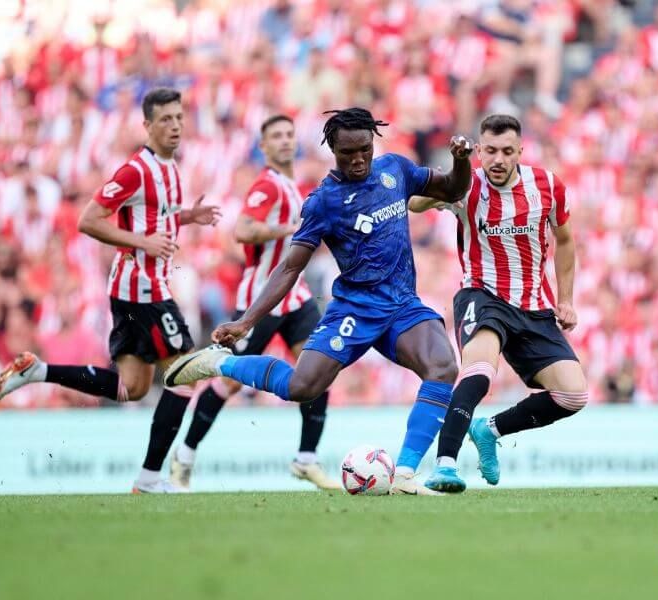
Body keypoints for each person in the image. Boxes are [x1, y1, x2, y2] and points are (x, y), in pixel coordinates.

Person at [165, 107, 473, 495]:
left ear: (373, 143)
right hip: (355, 309)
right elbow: (290, 267)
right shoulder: (323, 201)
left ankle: (406, 474)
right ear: (332, 150)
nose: (358, 159)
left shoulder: (396, 170)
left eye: (364, 149)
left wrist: (461, 161)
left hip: (401, 305)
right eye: (348, 153)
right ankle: (220, 364)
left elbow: (453, 189)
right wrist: (246, 322)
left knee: (443, 366)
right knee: (301, 387)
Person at [0, 87, 223, 493]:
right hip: (142, 290)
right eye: (165, 119)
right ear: (146, 125)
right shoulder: (136, 169)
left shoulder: (170, 169)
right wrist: (142, 244)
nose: (175, 125)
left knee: (130, 387)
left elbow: (154, 218)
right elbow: (88, 220)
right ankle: (150, 478)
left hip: (135, 290)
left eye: (179, 117)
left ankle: (37, 370)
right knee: (186, 374)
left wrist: (187, 217)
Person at [409, 114, 587, 493]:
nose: (498, 160)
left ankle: (489, 430)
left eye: (507, 151)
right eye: (490, 151)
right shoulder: (465, 185)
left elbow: (566, 241)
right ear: (479, 150)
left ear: (520, 151)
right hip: (483, 295)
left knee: (573, 395)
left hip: (534, 306)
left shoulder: (548, 186)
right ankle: (445, 464)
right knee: (479, 371)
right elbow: (415, 204)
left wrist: (566, 300)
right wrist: (453, 170)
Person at [169, 115, 340, 491]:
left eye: (288, 134)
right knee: (227, 383)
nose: (283, 141)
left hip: (294, 298)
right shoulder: (268, 186)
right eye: (275, 136)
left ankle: (306, 459)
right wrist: (290, 230)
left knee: (319, 369)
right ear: (263, 147)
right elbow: (243, 229)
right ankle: (185, 453)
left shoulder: (294, 187)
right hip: (259, 300)